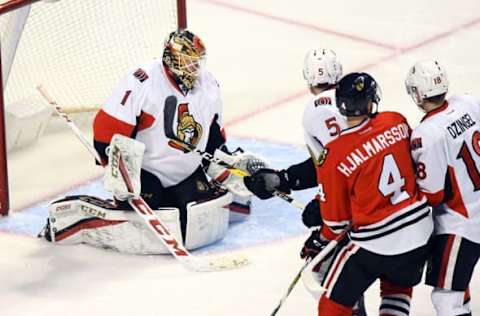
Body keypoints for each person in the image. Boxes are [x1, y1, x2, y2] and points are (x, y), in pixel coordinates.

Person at [38, 29, 260, 254]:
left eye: (197, 63)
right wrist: (118, 168)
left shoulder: (209, 84)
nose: (194, 69)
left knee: (195, 222)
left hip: (186, 172)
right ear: (170, 58)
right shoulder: (142, 82)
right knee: (151, 229)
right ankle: (76, 215)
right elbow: (106, 130)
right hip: (146, 174)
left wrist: (227, 168)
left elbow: (213, 137)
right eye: (187, 62)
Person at [244, 49, 366, 315]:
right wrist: (285, 179)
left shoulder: (312, 111)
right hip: (374, 195)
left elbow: (335, 165)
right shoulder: (355, 99)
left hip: (350, 205)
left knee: (325, 271)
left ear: (309, 79)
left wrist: (320, 203)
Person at [406, 60, 480, 316]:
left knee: (447, 299)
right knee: (457, 289)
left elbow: (433, 194)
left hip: (462, 223)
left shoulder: (425, 134)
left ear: (417, 93)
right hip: (476, 205)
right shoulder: (468, 103)